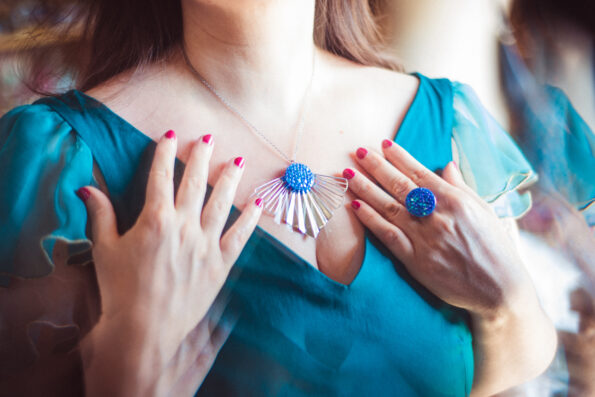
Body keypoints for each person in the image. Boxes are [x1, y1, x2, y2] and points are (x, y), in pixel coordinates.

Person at [0, 1, 557, 396]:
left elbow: (492, 381)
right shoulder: (61, 159)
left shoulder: (446, 121)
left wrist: (511, 302)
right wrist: (124, 372)